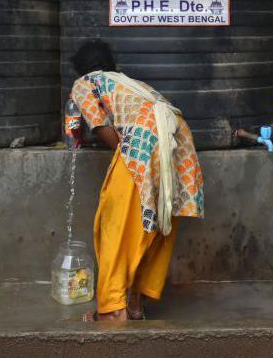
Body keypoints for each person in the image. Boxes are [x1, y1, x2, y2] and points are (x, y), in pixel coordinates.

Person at [66, 40, 204, 322]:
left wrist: (122, 150)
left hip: (147, 138)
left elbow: (103, 128)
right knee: (152, 225)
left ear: (81, 69)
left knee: (115, 224)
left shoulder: (83, 83)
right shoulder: (128, 82)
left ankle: (113, 308)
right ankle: (134, 305)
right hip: (180, 137)